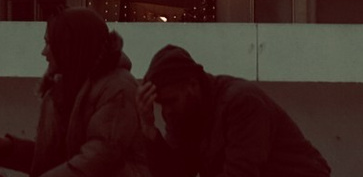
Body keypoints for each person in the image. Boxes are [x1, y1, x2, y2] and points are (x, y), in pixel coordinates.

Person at [0, 9, 145, 177]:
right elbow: (53, 159)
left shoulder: (118, 89)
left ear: (69, 47)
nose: (44, 52)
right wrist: (6, 147)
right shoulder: (60, 90)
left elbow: (99, 158)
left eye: (50, 43)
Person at [139, 44, 328, 177]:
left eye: (171, 101)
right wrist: (149, 131)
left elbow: (242, 172)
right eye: (162, 104)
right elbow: (177, 172)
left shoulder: (241, 102)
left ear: (193, 84)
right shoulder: (185, 114)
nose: (167, 111)